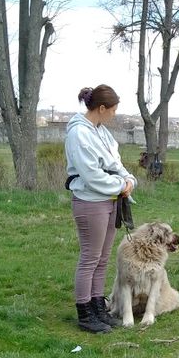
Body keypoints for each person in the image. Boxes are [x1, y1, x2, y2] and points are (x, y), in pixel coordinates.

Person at [65, 84, 137, 333]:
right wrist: (120, 185)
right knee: (90, 258)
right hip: (90, 201)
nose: (115, 114)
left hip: (110, 199)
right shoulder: (78, 133)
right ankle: (84, 312)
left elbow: (115, 164)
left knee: (103, 258)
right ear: (102, 108)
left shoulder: (102, 132)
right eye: (113, 110)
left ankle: (97, 306)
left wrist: (128, 181)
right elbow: (91, 174)